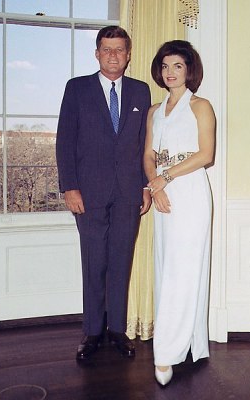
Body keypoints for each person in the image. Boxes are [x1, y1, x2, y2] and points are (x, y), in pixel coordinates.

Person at [56, 26, 151, 360]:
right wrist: (69, 186)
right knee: (94, 263)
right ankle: (93, 332)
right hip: (89, 193)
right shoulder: (77, 89)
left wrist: (144, 186)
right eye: (106, 49)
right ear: (97, 54)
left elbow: (143, 146)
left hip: (128, 193)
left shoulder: (141, 92)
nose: (113, 55)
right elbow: (65, 141)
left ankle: (117, 331)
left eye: (119, 49)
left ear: (128, 54)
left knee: (121, 263)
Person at [144, 40, 215, 385]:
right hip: (162, 193)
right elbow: (148, 154)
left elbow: (206, 154)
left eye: (178, 66)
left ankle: (167, 354)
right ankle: (187, 342)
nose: (170, 72)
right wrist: (153, 185)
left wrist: (164, 178)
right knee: (167, 269)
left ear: (189, 71)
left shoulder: (201, 106)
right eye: (165, 66)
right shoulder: (154, 111)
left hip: (189, 192)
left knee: (181, 272)